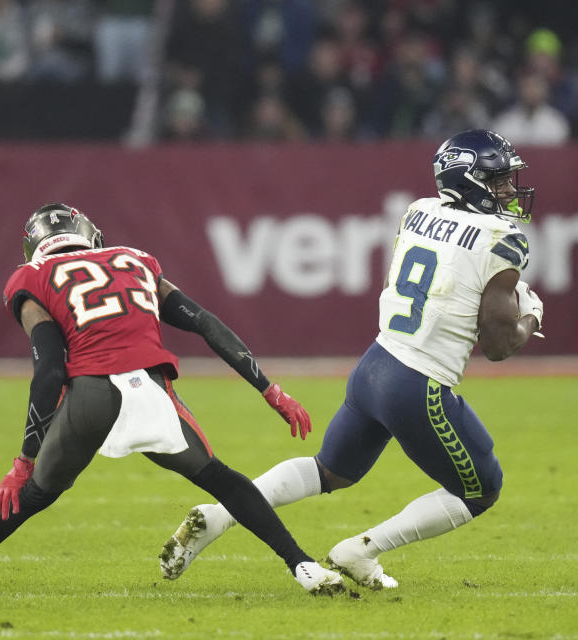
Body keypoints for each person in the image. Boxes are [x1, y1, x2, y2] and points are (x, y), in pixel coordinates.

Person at [159, 130, 544, 589]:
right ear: (471, 180)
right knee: (482, 489)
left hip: (375, 365)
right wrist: (530, 316)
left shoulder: (420, 211)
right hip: (418, 384)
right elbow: (499, 345)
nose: (508, 189)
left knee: (328, 471)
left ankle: (219, 515)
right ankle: (363, 551)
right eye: (499, 179)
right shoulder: (502, 238)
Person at [0, 204, 345, 597]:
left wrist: (22, 461)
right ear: (89, 234)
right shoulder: (136, 260)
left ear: (34, 247)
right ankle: (302, 565)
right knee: (222, 480)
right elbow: (205, 324)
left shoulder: (31, 278)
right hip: (150, 392)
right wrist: (271, 390)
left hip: (90, 396)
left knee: (34, 493)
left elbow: (50, 370)